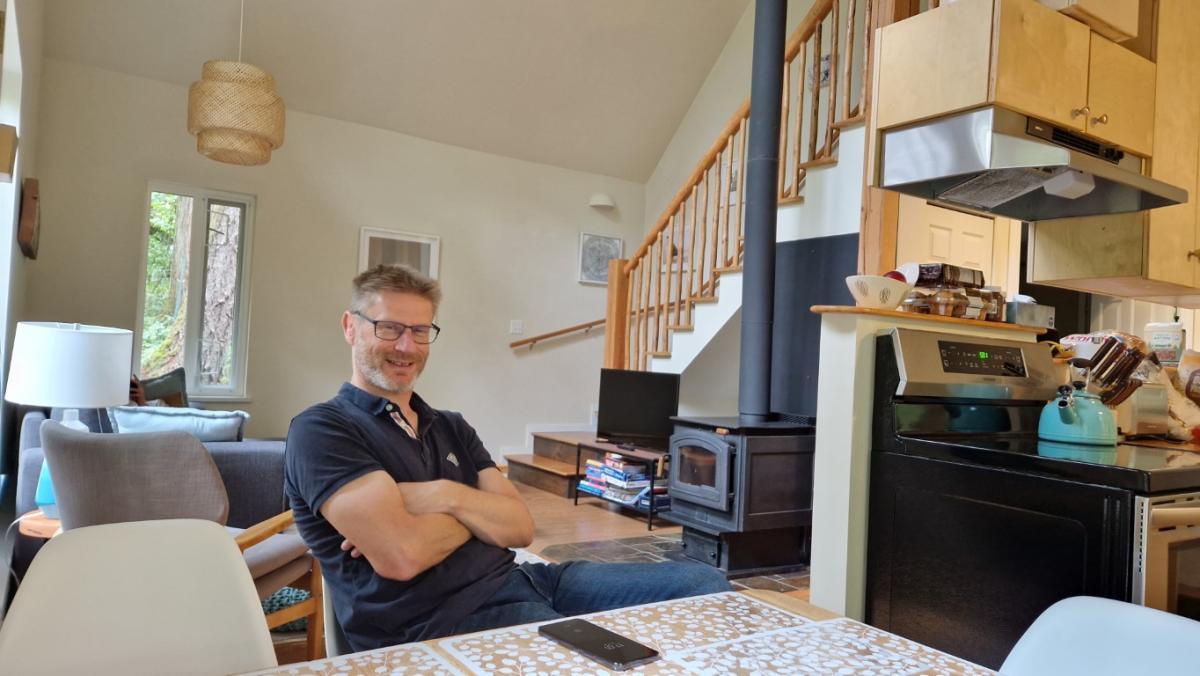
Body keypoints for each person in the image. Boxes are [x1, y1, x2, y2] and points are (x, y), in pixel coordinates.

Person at [284, 264, 730, 653]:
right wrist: (479, 516)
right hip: (440, 622)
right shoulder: (323, 430)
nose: (407, 346)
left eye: (420, 331)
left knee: (705, 586)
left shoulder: (450, 425)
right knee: (590, 657)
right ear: (350, 327)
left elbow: (519, 527)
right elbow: (403, 555)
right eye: (389, 328)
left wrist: (441, 496)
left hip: (531, 580)